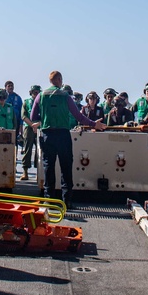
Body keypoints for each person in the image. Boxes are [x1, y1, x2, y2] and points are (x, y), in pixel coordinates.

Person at [29, 71, 105, 207]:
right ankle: (66, 201)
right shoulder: (65, 96)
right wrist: (95, 124)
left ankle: (49, 199)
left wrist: (45, 118)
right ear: (59, 80)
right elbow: (78, 116)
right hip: (63, 135)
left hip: (47, 134)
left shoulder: (40, 96)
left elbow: (33, 115)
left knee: (48, 167)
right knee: (66, 167)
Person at [20, 85, 42, 180]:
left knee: (39, 151)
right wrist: (32, 125)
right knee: (27, 149)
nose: (35, 94)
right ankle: (25, 172)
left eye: (37, 92)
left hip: (40, 128)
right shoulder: (26, 102)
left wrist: (37, 125)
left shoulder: (42, 103)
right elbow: (23, 116)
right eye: (34, 92)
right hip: (28, 128)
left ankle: (38, 173)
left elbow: (45, 115)